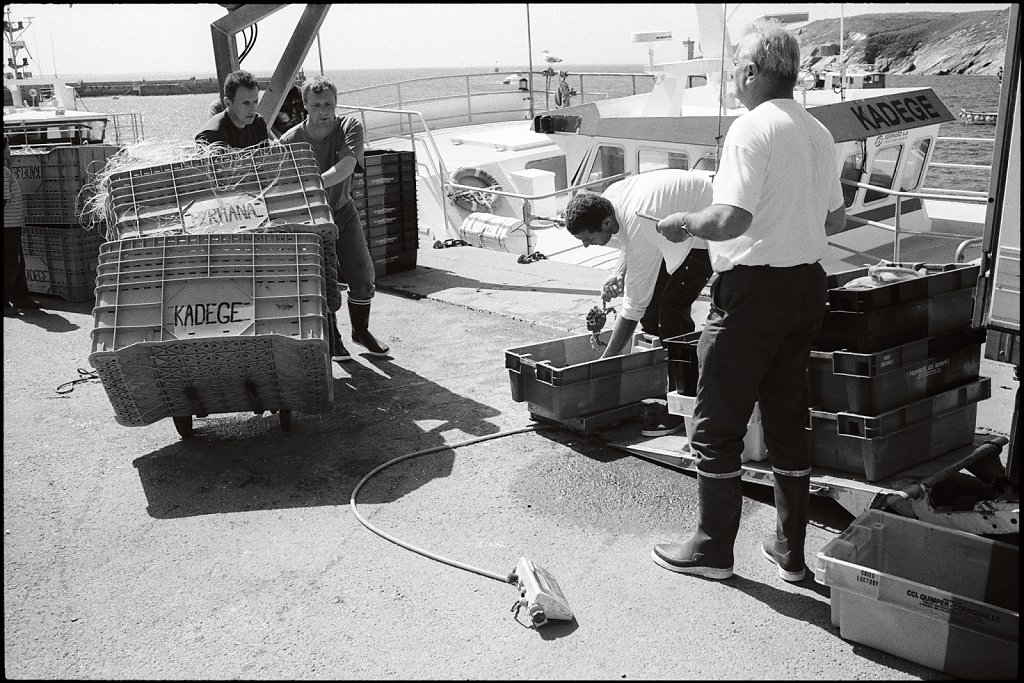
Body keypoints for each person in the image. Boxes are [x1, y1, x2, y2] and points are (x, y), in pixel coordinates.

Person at [650, 24, 847, 583]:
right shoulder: (816, 131)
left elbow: (730, 218)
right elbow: (837, 218)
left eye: (736, 67)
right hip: (806, 287)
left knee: (717, 422)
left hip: (752, 294)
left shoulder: (750, 129)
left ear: (753, 72)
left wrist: (683, 223)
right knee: (788, 418)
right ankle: (790, 550)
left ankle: (713, 548)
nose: (733, 77)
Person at [563, 169, 714, 436]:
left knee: (670, 315)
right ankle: (676, 373)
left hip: (704, 231)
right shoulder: (609, 201)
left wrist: (605, 362)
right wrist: (617, 272)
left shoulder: (635, 222)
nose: (587, 246)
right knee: (653, 316)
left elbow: (632, 308)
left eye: (587, 238)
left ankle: (683, 404)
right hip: (671, 226)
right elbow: (627, 243)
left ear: (606, 223)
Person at [278, 75, 389, 361]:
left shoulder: (349, 127)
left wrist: (312, 182)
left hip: (341, 210)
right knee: (322, 284)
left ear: (336, 103)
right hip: (309, 223)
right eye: (316, 105)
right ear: (305, 106)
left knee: (363, 277)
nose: (324, 111)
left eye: (328, 104)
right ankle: (334, 338)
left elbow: (347, 165)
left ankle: (360, 331)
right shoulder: (288, 142)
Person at [3, 137, 41, 314]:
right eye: (8, 148)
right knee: (10, 263)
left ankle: (19, 297)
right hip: (7, 227)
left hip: (12, 225)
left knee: (17, 262)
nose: (10, 151)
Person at [195, 70, 269, 148]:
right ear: (228, 103)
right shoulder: (211, 136)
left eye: (255, 101)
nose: (253, 109)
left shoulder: (258, 125)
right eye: (246, 103)